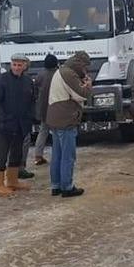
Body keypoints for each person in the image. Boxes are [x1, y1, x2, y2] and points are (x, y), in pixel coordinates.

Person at [46, 51, 92, 197]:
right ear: (80, 64)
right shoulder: (69, 73)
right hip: (66, 118)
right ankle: (67, 186)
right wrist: (88, 85)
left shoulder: (61, 71)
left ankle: (56, 185)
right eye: (85, 67)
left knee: (57, 155)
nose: (86, 71)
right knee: (68, 155)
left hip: (55, 117)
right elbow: (81, 95)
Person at [0, 53, 34, 195]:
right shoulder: (1, 80)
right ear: (11, 65)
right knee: (1, 154)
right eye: (14, 64)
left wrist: (30, 118)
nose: (16, 67)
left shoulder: (28, 81)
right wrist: (3, 119)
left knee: (17, 153)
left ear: (25, 66)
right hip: (4, 126)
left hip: (21, 125)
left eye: (20, 65)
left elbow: (32, 102)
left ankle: (13, 180)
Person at [32, 54, 59, 166]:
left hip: (43, 108)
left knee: (43, 132)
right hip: (56, 108)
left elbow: (35, 91)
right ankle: (58, 155)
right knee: (57, 133)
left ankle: (38, 156)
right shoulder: (58, 74)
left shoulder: (40, 75)